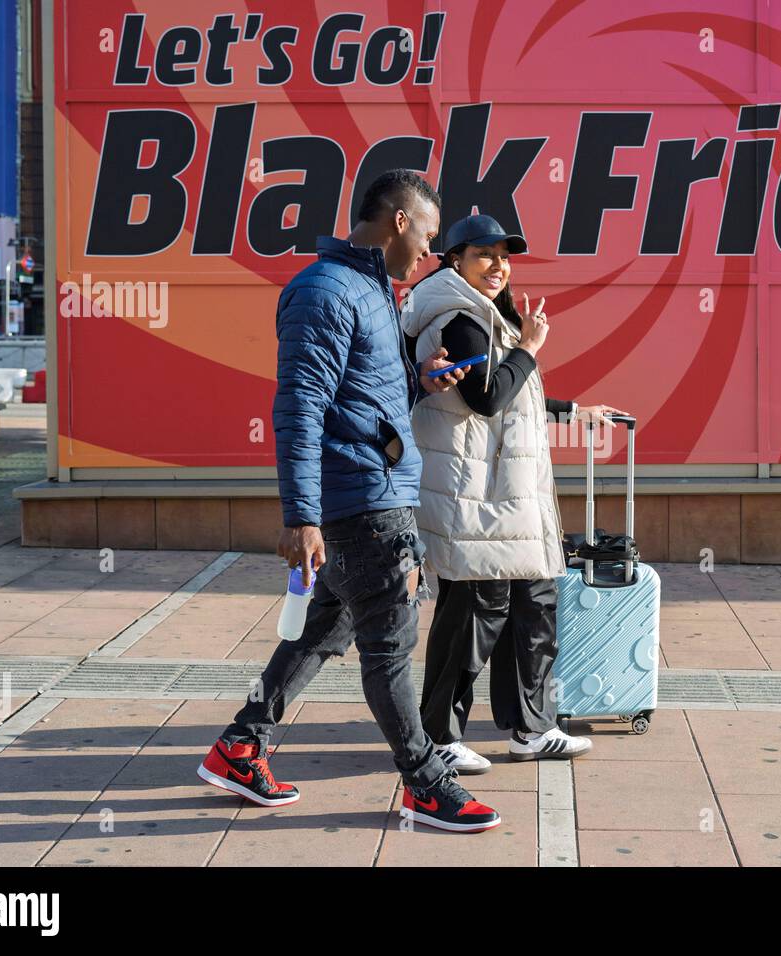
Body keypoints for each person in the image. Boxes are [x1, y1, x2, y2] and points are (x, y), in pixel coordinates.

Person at [198, 171, 502, 833]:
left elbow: (357, 406)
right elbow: (300, 410)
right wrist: (300, 516)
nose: (429, 252)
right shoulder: (326, 290)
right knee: (390, 646)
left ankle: (240, 747)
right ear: (398, 219)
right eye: (426, 234)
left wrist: (417, 384)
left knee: (319, 634)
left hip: (369, 493)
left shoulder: (369, 290)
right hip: (360, 506)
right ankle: (426, 783)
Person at [401, 213, 628, 774]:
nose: (498, 266)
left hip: (506, 499)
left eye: (504, 256)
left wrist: (574, 411)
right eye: (484, 255)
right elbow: (486, 398)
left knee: (534, 607)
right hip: (475, 497)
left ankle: (533, 727)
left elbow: (515, 395)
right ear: (454, 260)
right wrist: (529, 346)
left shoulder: (483, 314)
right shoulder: (459, 316)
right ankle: (440, 733)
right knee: (474, 614)